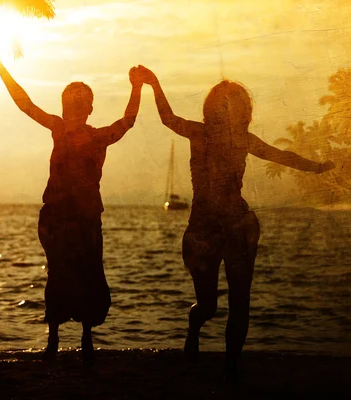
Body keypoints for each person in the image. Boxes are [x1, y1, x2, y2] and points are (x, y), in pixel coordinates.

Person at [139, 66, 335, 380]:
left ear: (243, 111)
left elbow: (281, 155)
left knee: (240, 300)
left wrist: (318, 168)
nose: (228, 111)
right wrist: (153, 82)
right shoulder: (197, 133)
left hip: (239, 227)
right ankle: (194, 332)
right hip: (203, 231)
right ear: (211, 110)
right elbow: (167, 118)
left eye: (235, 105)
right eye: (222, 105)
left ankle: (231, 365)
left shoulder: (244, 139)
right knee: (207, 307)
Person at [0, 56, 144, 367]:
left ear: (88, 110)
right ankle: (53, 335)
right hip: (56, 218)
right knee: (58, 275)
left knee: (89, 274)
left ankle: (86, 336)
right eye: (69, 103)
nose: (72, 109)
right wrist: (1, 70)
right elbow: (25, 105)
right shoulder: (57, 128)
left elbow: (129, 119)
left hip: (86, 219)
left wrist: (136, 87)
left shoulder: (99, 137)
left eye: (79, 104)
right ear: (64, 106)